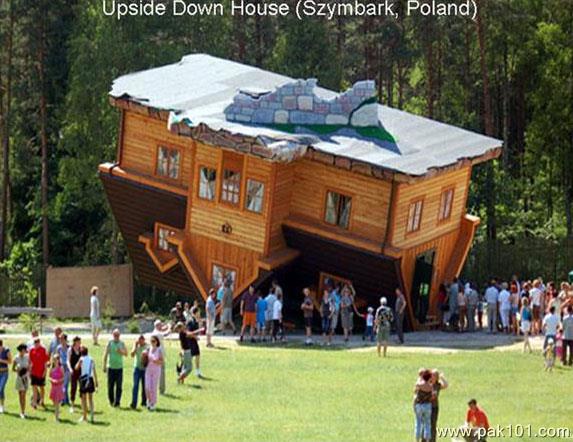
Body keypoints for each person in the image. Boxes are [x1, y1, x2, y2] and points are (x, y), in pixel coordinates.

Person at [102, 328, 127, 407]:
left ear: (119, 335)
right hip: (111, 367)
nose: (116, 336)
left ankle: (117, 402)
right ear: (113, 335)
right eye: (115, 335)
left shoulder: (122, 343)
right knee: (110, 386)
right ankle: (111, 401)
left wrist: (121, 351)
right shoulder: (110, 343)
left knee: (119, 386)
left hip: (119, 368)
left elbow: (126, 353)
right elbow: (105, 354)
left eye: (117, 335)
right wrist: (104, 365)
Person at [76, 346, 98, 423]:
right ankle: (92, 416)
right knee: (91, 399)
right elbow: (94, 371)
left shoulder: (81, 359)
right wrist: (96, 382)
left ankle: (84, 416)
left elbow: (76, 368)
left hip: (84, 380)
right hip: (90, 379)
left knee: (83, 399)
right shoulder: (91, 359)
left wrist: (79, 362)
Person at [29, 337, 49, 409]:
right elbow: (30, 362)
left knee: (41, 387)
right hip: (34, 372)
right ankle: (34, 402)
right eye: (35, 342)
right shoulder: (31, 350)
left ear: (39, 343)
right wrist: (29, 371)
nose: (36, 344)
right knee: (34, 387)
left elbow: (45, 362)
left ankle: (42, 400)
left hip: (41, 372)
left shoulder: (43, 350)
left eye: (37, 342)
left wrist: (45, 371)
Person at [151, 319, 170, 395]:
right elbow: (166, 334)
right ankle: (161, 390)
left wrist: (166, 326)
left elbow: (162, 329)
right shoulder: (158, 334)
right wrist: (169, 327)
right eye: (160, 325)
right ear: (157, 326)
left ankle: (154, 388)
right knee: (161, 373)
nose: (161, 326)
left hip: (155, 355)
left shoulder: (154, 332)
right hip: (159, 355)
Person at [144, 335, 164, 411]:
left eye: (154, 341)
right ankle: (148, 400)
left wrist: (156, 361)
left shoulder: (159, 350)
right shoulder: (148, 349)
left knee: (154, 388)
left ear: (157, 342)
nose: (152, 343)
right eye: (151, 341)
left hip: (156, 370)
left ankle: (153, 403)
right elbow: (144, 357)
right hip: (148, 370)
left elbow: (162, 361)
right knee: (147, 387)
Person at [413, 369, 433, 442]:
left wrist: (420, 377)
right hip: (427, 405)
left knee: (418, 423)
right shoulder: (430, 386)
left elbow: (415, 388)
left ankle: (417, 439)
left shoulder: (420, 385)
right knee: (427, 423)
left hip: (419, 405)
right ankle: (427, 439)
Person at [430, 369, 448, 442]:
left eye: (434, 375)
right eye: (432, 375)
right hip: (427, 407)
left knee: (433, 424)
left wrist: (442, 377)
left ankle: (432, 440)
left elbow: (446, 385)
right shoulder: (427, 383)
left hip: (435, 407)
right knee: (426, 424)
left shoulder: (437, 385)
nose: (432, 377)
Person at [130, 335, 148, 409]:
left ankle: (144, 402)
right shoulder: (136, 346)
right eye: (139, 340)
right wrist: (135, 346)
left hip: (145, 369)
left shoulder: (147, 347)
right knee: (135, 386)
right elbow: (132, 355)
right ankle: (134, 403)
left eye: (141, 340)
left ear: (144, 340)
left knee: (144, 386)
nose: (140, 342)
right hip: (137, 368)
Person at [13, 343, 29, 419]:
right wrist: (17, 369)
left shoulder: (27, 357)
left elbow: (29, 367)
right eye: (23, 350)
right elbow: (13, 369)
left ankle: (23, 412)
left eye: (25, 350)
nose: (25, 351)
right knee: (20, 395)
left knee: (23, 395)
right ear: (20, 350)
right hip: (19, 378)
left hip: (25, 378)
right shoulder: (16, 358)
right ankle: (21, 410)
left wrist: (26, 371)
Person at [186, 307, 204, 378]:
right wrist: (195, 337)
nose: (199, 314)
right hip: (190, 341)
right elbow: (188, 333)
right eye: (198, 312)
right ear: (195, 313)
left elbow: (198, 330)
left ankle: (197, 371)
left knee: (197, 355)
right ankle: (184, 369)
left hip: (193, 340)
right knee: (191, 356)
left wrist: (200, 323)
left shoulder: (196, 321)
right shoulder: (190, 321)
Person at [67, 336, 82, 413]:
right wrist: (70, 369)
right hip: (73, 371)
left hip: (80, 371)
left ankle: (83, 404)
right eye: (78, 342)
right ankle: (72, 405)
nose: (79, 343)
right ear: (75, 342)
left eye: (80, 342)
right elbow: (68, 361)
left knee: (82, 387)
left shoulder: (81, 349)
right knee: (73, 388)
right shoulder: (70, 350)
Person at [49, 354, 65, 421]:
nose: (55, 361)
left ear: (59, 360)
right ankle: (56, 413)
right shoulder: (51, 368)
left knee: (57, 402)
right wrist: (52, 380)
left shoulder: (61, 368)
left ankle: (57, 417)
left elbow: (63, 377)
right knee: (54, 402)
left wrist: (59, 381)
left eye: (56, 359)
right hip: (53, 387)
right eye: (54, 359)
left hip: (59, 387)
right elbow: (49, 377)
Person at [56, 333, 70, 407]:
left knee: (65, 384)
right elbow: (57, 357)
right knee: (63, 384)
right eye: (60, 338)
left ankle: (64, 400)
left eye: (61, 338)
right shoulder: (59, 348)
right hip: (61, 367)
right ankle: (65, 400)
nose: (60, 340)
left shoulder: (69, 348)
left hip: (67, 367)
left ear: (65, 339)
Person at [0, 339, 12, 414]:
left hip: (4, 373)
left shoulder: (6, 350)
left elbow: (10, 361)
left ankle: (2, 406)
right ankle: (2, 406)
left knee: (0, 389)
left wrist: (1, 360)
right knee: (1, 390)